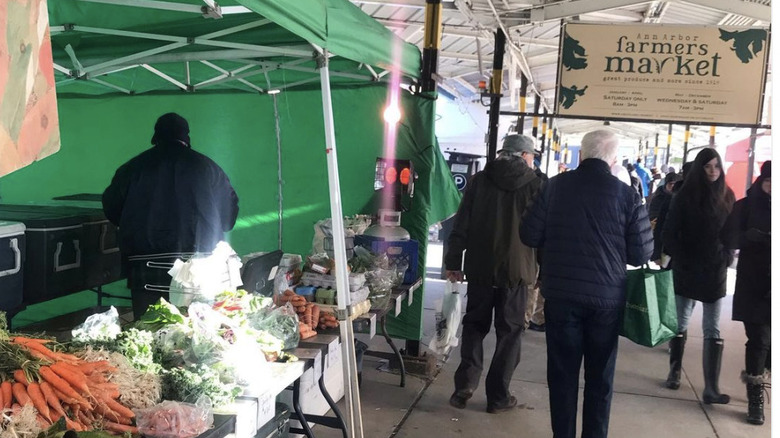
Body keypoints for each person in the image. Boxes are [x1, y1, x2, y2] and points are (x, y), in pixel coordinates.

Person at [520, 130, 653, 438]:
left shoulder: (554, 187)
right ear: (613, 161)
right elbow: (641, 253)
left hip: (562, 297)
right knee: (600, 380)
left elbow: (529, 234)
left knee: (563, 376)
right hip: (606, 301)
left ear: (581, 155)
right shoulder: (627, 195)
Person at [103, 113, 239, 318]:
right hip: (198, 267)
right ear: (187, 138)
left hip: (145, 266)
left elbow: (112, 209)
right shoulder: (209, 168)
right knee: (198, 333)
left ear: (155, 137)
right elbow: (229, 217)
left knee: (147, 331)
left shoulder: (131, 168)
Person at [445, 134, 542, 413]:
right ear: (524, 155)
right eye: (532, 156)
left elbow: (460, 224)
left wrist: (453, 261)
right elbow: (543, 232)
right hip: (518, 270)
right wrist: (543, 270)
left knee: (475, 325)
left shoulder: (479, 181)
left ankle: (465, 386)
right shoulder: (536, 184)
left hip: (480, 267)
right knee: (510, 333)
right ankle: (498, 397)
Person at [662, 148, 735, 404]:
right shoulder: (684, 197)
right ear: (699, 169)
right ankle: (674, 370)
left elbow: (731, 232)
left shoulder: (728, 195)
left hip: (715, 269)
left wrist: (727, 256)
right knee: (681, 321)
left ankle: (711, 388)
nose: (713, 170)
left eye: (717, 166)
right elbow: (670, 232)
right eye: (708, 166)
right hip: (688, 268)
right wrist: (682, 256)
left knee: (712, 327)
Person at [724, 161, 771, 425]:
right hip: (753, 286)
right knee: (759, 340)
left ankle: (764, 372)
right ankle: (755, 401)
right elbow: (728, 238)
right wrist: (748, 237)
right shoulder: (745, 205)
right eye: (768, 183)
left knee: (769, 344)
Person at [648, 171, 682, 265]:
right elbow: (656, 222)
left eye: (675, 184)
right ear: (666, 184)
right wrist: (656, 254)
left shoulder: (681, 199)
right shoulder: (659, 198)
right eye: (670, 184)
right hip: (663, 244)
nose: (672, 187)